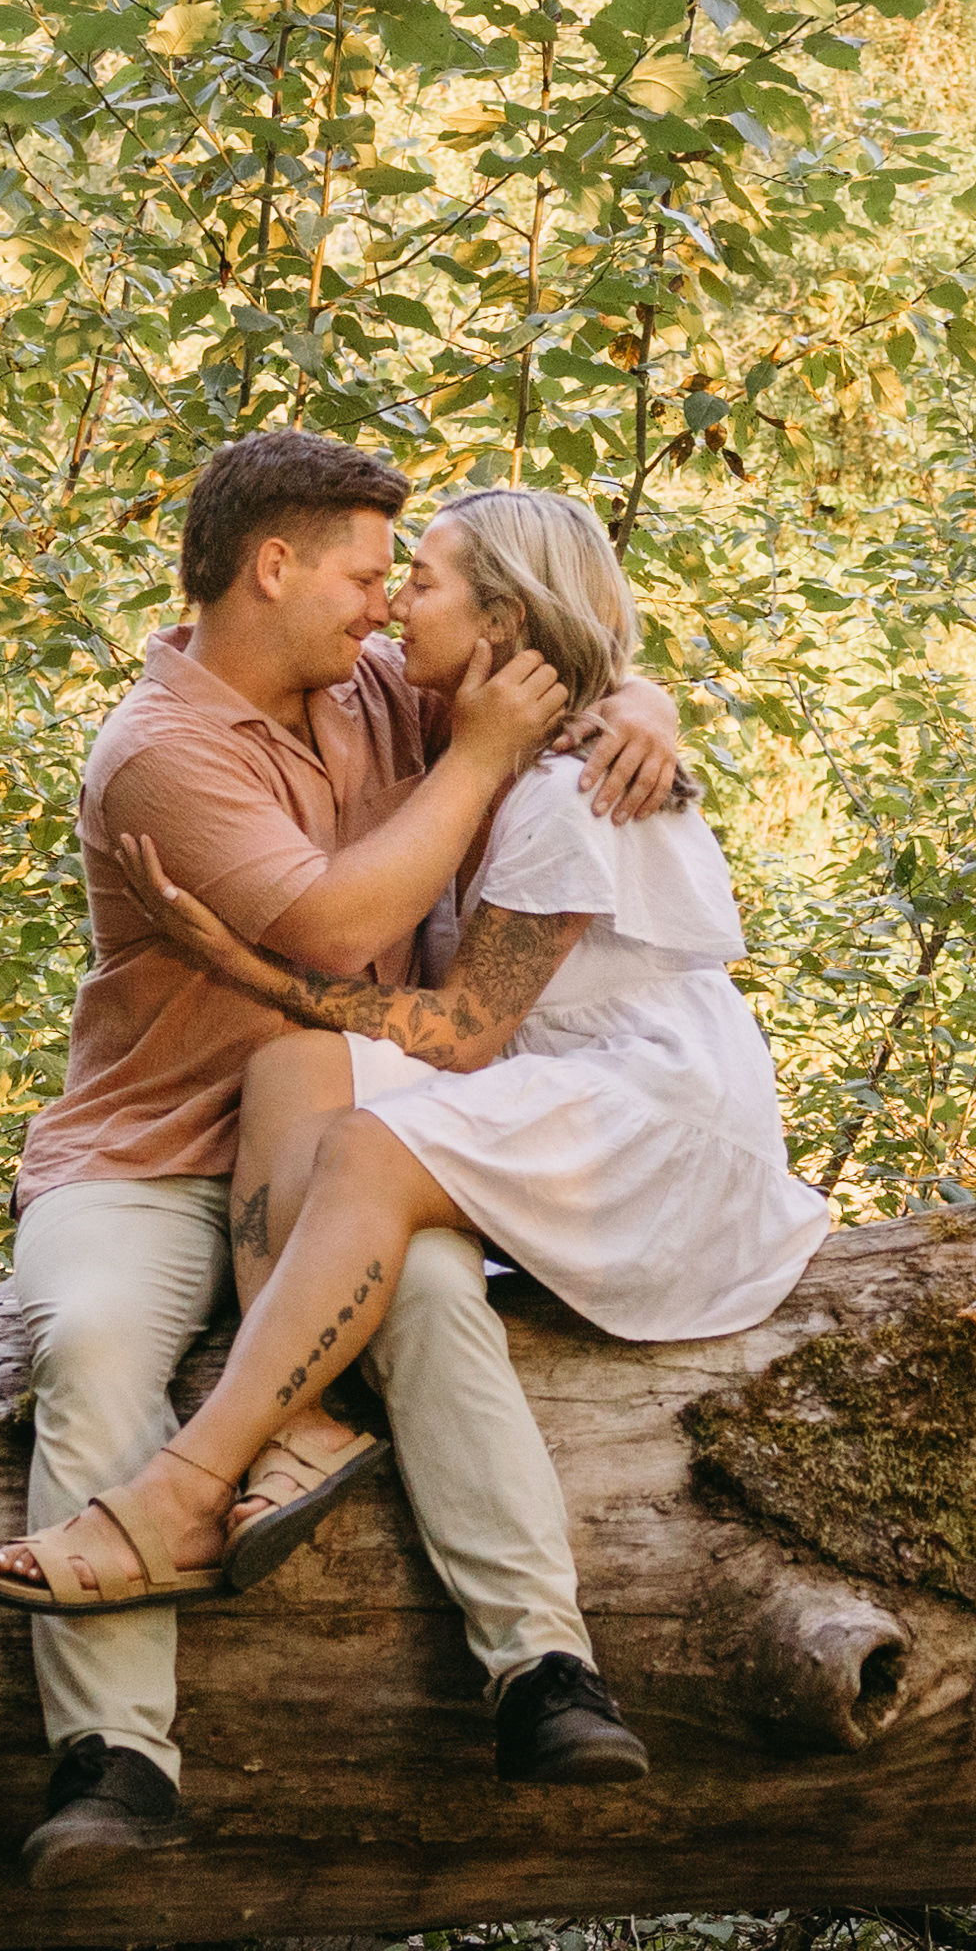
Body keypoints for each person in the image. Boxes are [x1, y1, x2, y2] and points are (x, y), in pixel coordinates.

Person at [0, 431, 671, 1883]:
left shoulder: (367, 689)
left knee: (427, 1298)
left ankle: (543, 1673)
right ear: (269, 567)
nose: (381, 607)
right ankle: (114, 1763)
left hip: (348, 1141)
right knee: (92, 1347)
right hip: (150, 1155)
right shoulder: (159, 755)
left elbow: (557, 667)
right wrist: (477, 754)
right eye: (362, 576)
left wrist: (640, 699)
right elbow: (339, 931)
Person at [126, 483, 833, 1382]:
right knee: (296, 1071)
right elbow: (577, 666)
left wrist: (236, 963)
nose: (388, 613)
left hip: (645, 1119)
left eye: (418, 584)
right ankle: (294, 1432)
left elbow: (461, 1033)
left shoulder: (575, 789)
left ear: (500, 619)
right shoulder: (458, 723)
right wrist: (629, 696)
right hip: (548, 1089)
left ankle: (210, 1461)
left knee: (375, 1174)